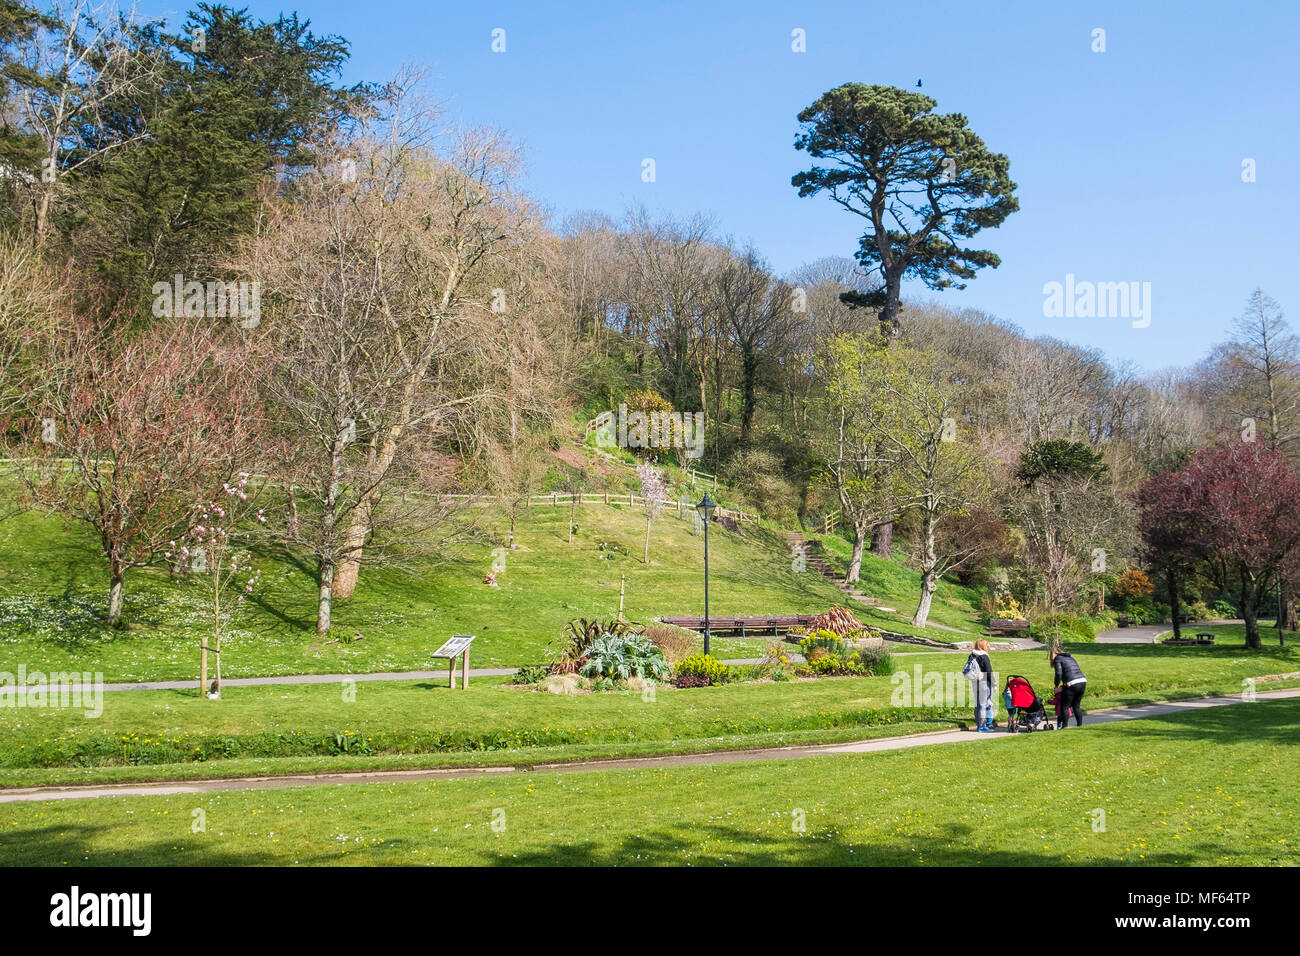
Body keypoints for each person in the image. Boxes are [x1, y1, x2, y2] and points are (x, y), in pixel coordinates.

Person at [1050, 641, 1087, 728]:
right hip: (1082, 681)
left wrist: (1056, 685)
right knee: (1076, 706)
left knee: (1065, 706)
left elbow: (1059, 674)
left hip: (1072, 683)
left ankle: (1065, 726)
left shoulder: (1058, 659)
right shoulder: (1071, 658)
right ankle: (1080, 726)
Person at [963, 638, 996, 732]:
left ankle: (979, 723)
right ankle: (982, 726)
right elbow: (989, 671)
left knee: (978, 704)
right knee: (983, 704)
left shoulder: (972, 655)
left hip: (975, 681)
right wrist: (994, 683)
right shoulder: (984, 656)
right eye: (987, 644)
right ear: (983, 646)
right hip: (984, 682)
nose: (988, 646)